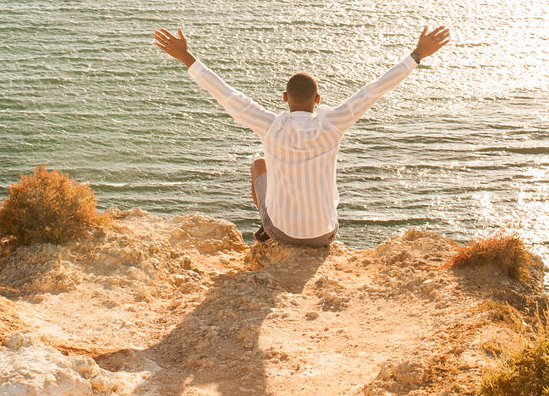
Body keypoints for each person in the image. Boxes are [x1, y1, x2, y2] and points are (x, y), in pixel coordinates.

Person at [152, 25, 451, 247]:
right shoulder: (333, 123)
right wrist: (416, 54)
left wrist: (186, 57)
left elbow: (227, 94)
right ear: (318, 100)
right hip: (325, 235)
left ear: (284, 97)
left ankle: (266, 229)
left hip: (284, 233)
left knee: (259, 165)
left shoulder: (270, 125)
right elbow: (373, 90)